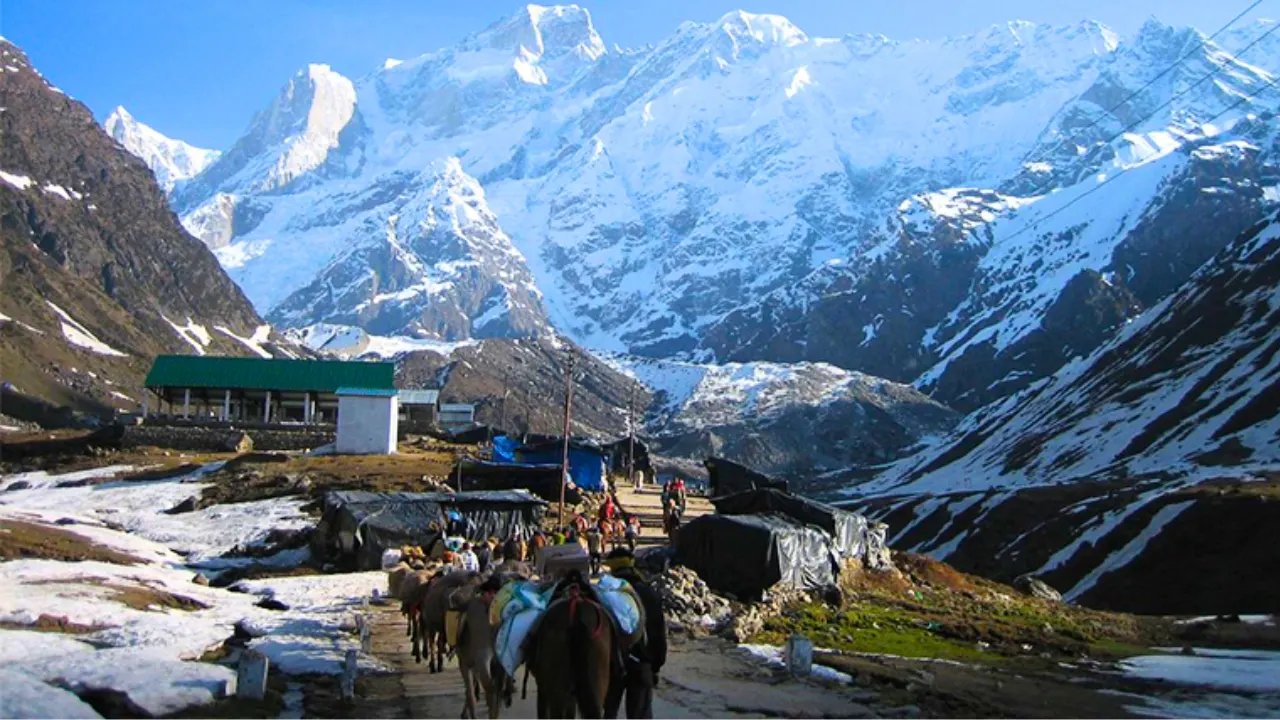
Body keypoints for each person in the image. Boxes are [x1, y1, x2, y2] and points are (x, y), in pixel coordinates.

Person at [603, 548, 667, 719]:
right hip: (642, 663)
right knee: (640, 714)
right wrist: (656, 665)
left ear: (612, 569)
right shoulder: (648, 593)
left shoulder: (605, 595)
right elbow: (659, 633)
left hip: (612, 665)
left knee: (606, 713)